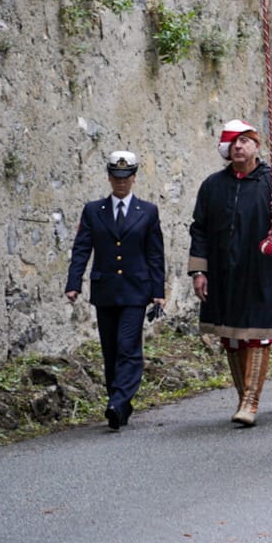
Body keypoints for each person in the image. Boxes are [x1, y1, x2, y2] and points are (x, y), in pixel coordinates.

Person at [189, 120, 272, 427]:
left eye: (244, 141)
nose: (238, 146)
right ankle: (243, 398)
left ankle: (251, 401)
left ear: (256, 145)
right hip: (224, 274)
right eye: (233, 142)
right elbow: (200, 229)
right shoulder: (212, 185)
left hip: (262, 271)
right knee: (233, 338)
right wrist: (199, 271)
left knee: (258, 337)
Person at [65, 151, 165, 430]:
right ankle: (118, 403)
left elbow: (155, 254)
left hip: (136, 291)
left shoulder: (147, 211)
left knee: (128, 346)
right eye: (116, 177)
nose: (121, 183)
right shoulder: (93, 210)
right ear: (109, 177)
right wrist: (74, 283)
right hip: (106, 290)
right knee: (110, 350)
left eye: (126, 177)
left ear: (133, 178)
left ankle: (118, 400)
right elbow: (82, 248)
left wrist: (158, 291)